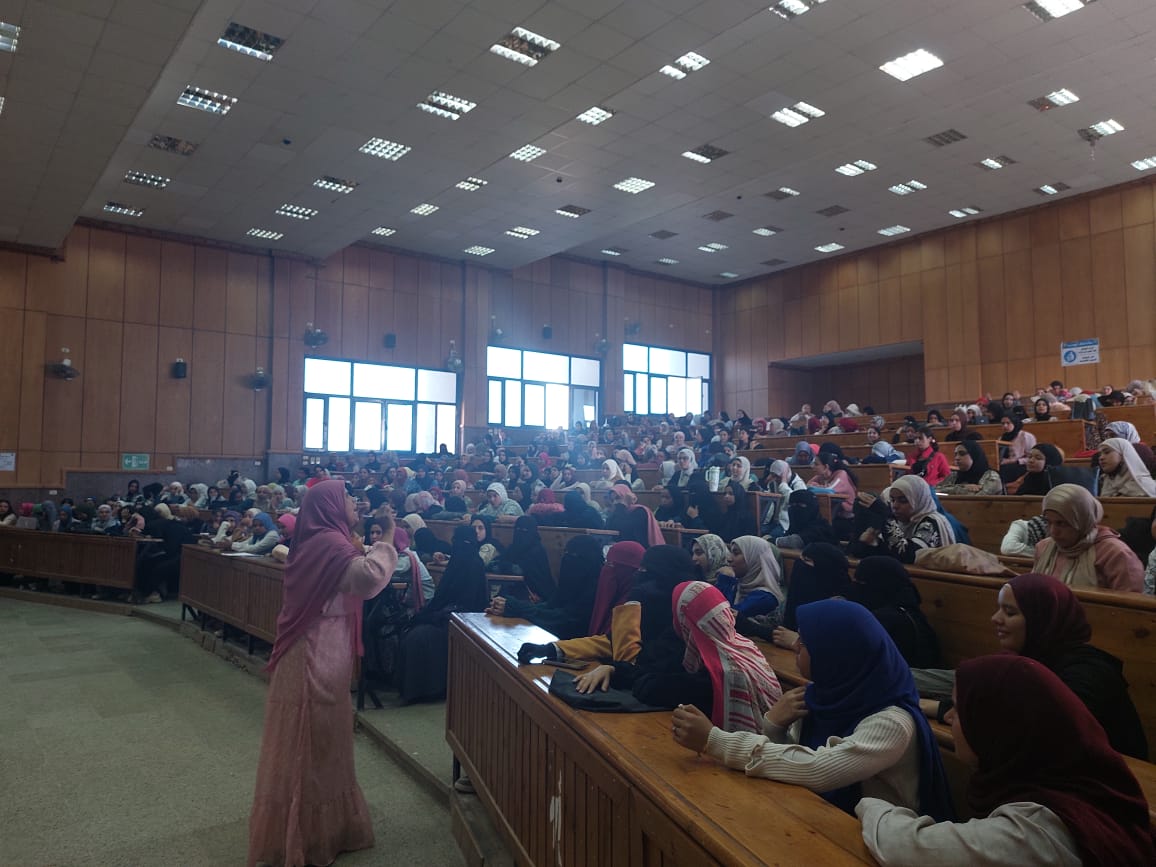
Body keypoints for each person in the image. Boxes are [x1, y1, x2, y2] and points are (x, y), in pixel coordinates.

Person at [858, 655, 1155, 866]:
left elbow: (907, 847)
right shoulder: (1066, 779)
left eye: (961, 710)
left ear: (997, 727)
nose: (949, 718)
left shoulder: (1039, 830)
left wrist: (870, 805)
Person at [672, 599, 953, 819]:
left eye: (806, 642)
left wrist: (715, 740)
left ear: (836, 654)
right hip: (826, 817)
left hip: (872, 841)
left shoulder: (892, 722)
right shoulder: (821, 695)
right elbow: (790, 766)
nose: (796, 645)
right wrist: (774, 726)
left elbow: (819, 769)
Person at [248, 481, 398, 867]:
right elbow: (368, 578)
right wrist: (388, 537)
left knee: (321, 741)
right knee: (312, 743)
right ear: (330, 504)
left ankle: (318, 828)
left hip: (319, 647)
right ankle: (308, 836)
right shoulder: (329, 543)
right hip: (315, 652)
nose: (353, 501)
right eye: (346, 496)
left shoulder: (320, 540)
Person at [918, 573, 1147, 759]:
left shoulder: (1089, 673)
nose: (995, 618)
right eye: (999, 609)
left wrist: (956, 711)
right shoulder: (1028, 657)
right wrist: (928, 705)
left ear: (1041, 619)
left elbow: (1043, 729)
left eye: (1010, 612)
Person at [397, 523, 489, 703]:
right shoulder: (457, 562)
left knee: (421, 637)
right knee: (412, 630)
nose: (459, 546)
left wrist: (438, 616)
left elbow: (469, 603)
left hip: (464, 621)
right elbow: (442, 597)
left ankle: (429, 690)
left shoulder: (474, 565)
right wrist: (429, 614)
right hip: (445, 616)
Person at [487, 534, 603, 639]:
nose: (567, 559)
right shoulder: (571, 582)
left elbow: (563, 619)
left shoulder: (595, 589)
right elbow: (551, 606)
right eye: (566, 553)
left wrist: (516, 608)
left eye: (573, 555)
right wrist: (510, 606)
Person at [1033, 484, 1145, 592]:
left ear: (1082, 520)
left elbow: (1131, 602)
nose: (1053, 532)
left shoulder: (1114, 554)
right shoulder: (1044, 547)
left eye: (1061, 523)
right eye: (1048, 522)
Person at [851, 475, 956, 564]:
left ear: (917, 500)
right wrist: (871, 543)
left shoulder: (930, 522)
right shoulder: (901, 520)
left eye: (903, 500)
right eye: (892, 500)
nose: (895, 506)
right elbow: (888, 554)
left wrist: (886, 516)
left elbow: (910, 555)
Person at [717, 536, 786, 623]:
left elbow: (723, 617)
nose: (729, 559)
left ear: (754, 559)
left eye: (736, 553)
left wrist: (726, 580)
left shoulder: (765, 598)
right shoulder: (739, 585)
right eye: (731, 552)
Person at [492, 515, 555, 600]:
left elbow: (522, 570)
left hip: (536, 595)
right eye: (518, 529)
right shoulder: (513, 547)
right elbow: (498, 562)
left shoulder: (537, 551)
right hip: (513, 590)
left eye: (525, 530)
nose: (521, 533)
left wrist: (504, 566)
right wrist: (499, 565)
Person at [774, 488, 839, 550]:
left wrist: (774, 541)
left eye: (800, 505)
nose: (794, 509)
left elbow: (797, 541)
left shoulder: (821, 528)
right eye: (791, 505)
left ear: (812, 507)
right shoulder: (795, 527)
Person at [604, 482, 664, 547]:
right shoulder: (615, 513)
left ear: (627, 497)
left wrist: (623, 505)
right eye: (612, 500)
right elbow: (608, 529)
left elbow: (626, 531)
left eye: (617, 498)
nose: (615, 502)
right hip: (620, 547)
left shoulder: (640, 511)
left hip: (638, 548)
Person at [936, 440, 1002, 495]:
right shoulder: (954, 476)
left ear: (974, 455)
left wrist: (950, 489)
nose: (957, 458)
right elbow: (934, 491)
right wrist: (963, 487)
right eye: (955, 454)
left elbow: (977, 498)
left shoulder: (991, 476)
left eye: (962, 453)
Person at [996, 416, 1036, 483]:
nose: (1005, 426)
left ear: (1015, 423)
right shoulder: (1001, 438)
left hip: (1021, 464)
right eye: (1003, 423)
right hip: (1004, 464)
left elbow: (1031, 457)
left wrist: (1016, 461)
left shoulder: (1026, 436)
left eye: (1008, 423)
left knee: (1005, 470)